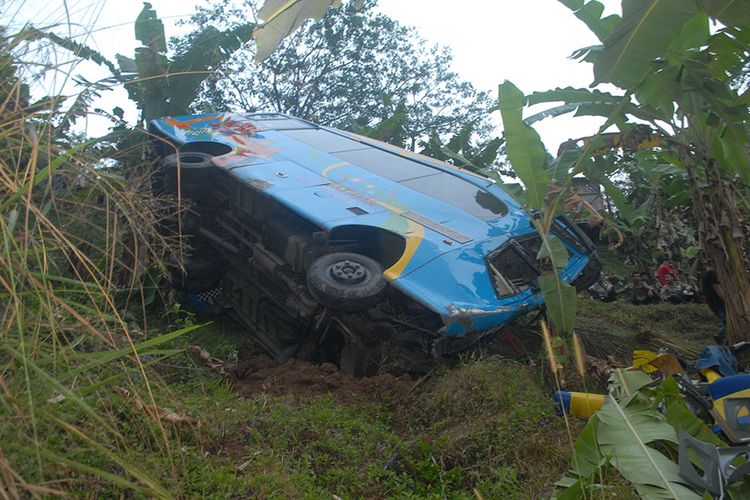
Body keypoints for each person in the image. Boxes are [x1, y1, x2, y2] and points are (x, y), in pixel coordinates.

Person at [702, 270, 726, 343]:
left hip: (711, 301)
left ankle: (723, 337)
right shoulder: (713, 274)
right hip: (716, 301)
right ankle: (720, 336)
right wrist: (726, 300)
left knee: (726, 320)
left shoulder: (706, 273)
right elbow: (717, 289)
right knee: (727, 320)